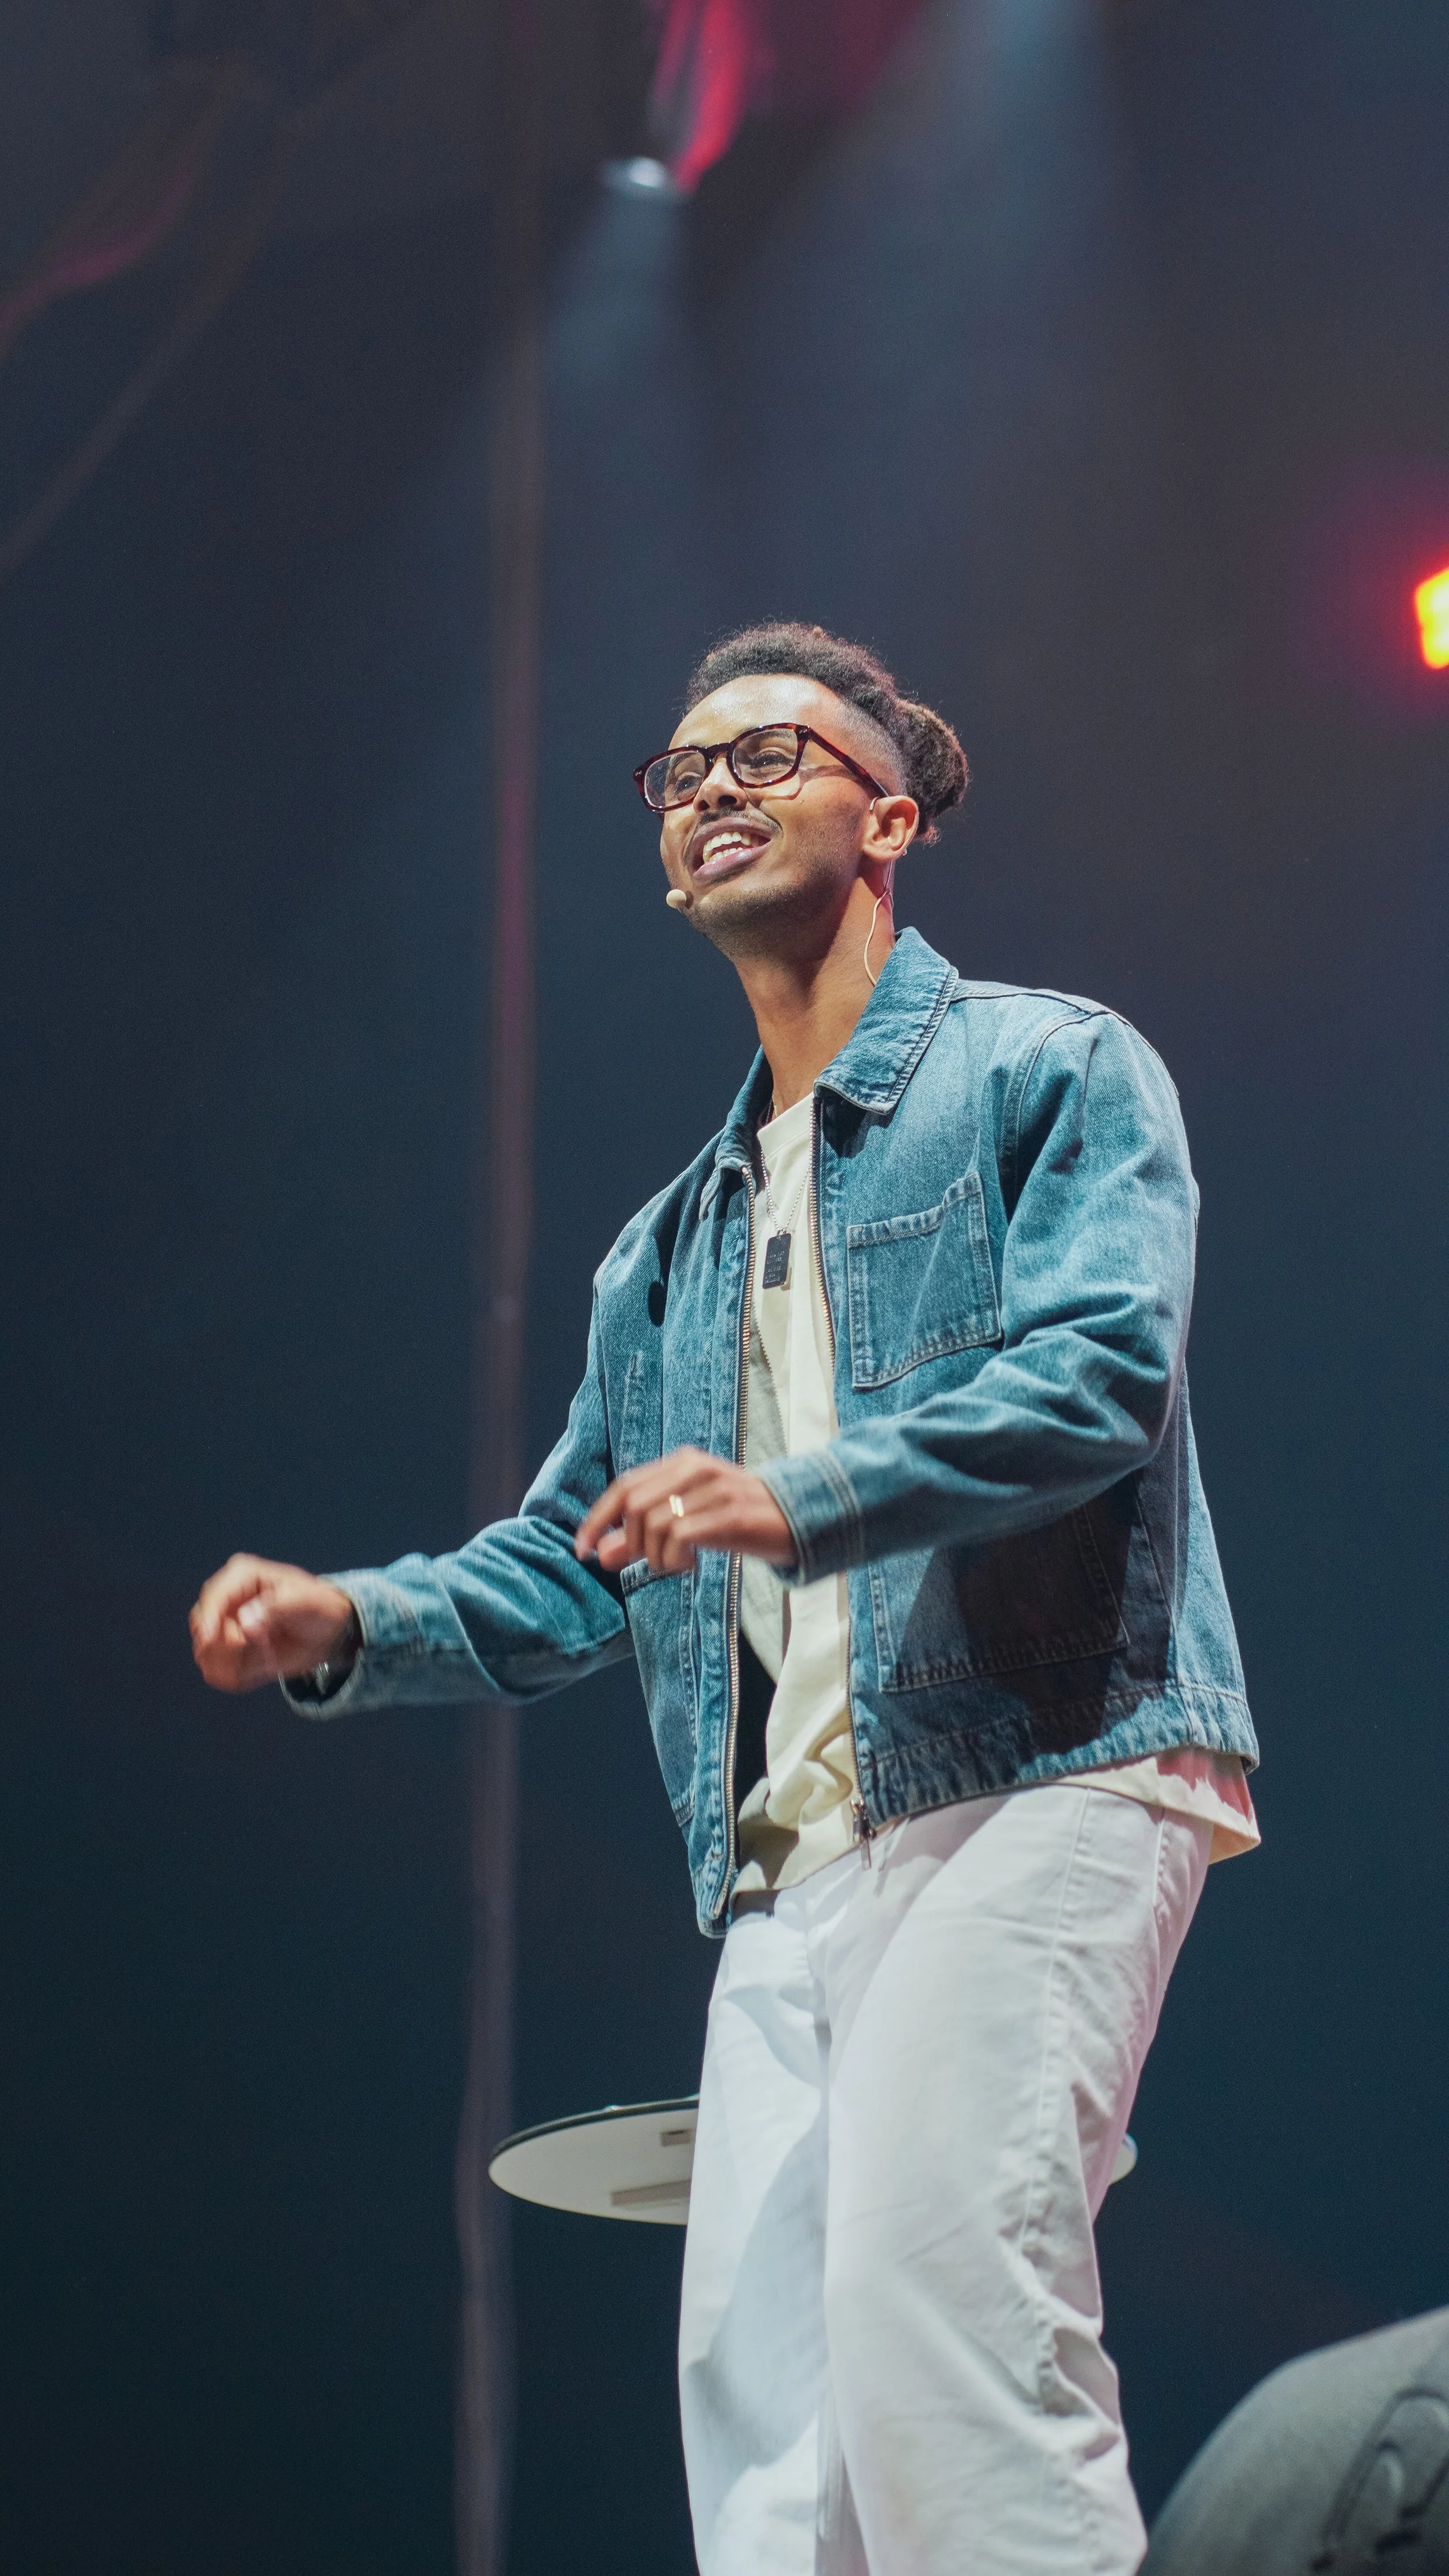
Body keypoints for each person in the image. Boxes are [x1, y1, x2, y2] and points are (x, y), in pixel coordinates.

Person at [191, 622, 1259, 2576]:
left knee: (945, 2316)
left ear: (891, 814)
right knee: (768, 2432)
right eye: (677, 773)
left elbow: (1099, 1380)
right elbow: (566, 1560)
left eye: (763, 752)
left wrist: (788, 1497)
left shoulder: (1050, 1066)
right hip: (790, 1866)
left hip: (1043, 1766)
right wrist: (350, 1623)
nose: (708, 789)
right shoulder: (664, 1250)